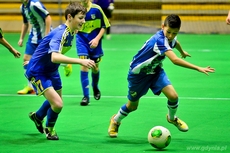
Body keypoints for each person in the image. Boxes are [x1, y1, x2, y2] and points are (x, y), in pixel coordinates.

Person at [108, 14, 215, 138]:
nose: (170, 35)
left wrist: (182, 52)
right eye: (168, 32)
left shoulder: (171, 38)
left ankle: (172, 118)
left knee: (173, 96)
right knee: (132, 106)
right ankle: (115, 120)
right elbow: (174, 60)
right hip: (138, 75)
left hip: (155, 71)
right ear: (162, 26)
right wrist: (198, 68)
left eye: (174, 33)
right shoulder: (159, 40)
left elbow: (175, 42)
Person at [25, 2, 96, 140]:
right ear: (70, 17)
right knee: (57, 104)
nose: (84, 21)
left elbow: (53, 53)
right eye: (81, 18)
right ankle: (49, 129)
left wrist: (64, 64)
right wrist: (80, 61)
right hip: (38, 71)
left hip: (52, 69)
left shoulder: (72, 31)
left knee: (56, 101)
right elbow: (55, 56)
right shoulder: (60, 33)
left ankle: (38, 117)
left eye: (84, 18)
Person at [17, 0, 73, 94]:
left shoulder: (35, 4)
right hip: (33, 36)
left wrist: (46, 35)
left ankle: (65, 64)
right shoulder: (22, 7)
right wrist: (21, 38)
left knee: (49, 59)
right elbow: (25, 23)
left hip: (44, 37)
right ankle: (30, 86)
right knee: (26, 58)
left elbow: (48, 17)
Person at [76, 0, 110, 106]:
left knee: (95, 68)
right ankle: (86, 96)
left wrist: (97, 39)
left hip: (95, 42)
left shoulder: (97, 9)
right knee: (84, 65)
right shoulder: (76, 9)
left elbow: (104, 26)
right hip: (81, 40)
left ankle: (95, 86)